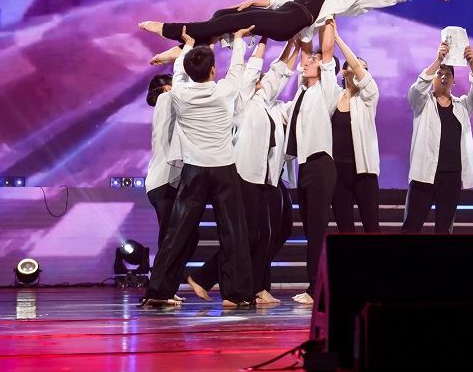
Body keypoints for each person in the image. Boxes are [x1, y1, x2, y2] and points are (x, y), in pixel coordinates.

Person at [139, 0, 453, 63]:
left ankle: (171, 30)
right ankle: (184, 49)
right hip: (286, 10)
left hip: (294, 20)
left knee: (238, 20)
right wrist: (255, 1)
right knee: (225, 13)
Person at [142, 25, 254, 308]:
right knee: (232, 231)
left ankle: (159, 290)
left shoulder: (180, 93)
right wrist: (238, 40)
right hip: (223, 169)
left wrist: (189, 45)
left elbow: (179, 71)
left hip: (193, 171)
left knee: (177, 232)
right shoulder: (224, 91)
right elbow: (237, 69)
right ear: (213, 70)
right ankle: (235, 294)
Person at [187, 38, 300, 305]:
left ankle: (248, 287)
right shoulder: (241, 103)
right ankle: (209, 279)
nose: (262, 79)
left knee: (261, 236)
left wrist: (295, 42)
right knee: (248, 236)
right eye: (257, 77)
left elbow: (280, 70)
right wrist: (264, 38)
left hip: (265, 177)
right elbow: (253, 69)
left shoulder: (266, 103)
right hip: (244, 175)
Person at [402, 40, 473, 234]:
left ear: (454, 81)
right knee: (411, 227)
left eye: (448, 74)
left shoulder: (462, 106)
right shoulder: (422, 103)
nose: (443, 77)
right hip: (424, 174)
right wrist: (438, 60)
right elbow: (417, 88)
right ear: (433, 79)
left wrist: (472, 64)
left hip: (451, 176)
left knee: (444, 230)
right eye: (439, 73)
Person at [284, 23, 343, 305]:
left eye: (313, 60)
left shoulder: (327, 90)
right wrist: (304, 29)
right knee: (310, 230)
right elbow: (307, 52)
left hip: (321, 164)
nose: (308, 62)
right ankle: (319, 285)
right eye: (309, 59)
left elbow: (327, 50)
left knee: (317, 229)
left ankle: (314, 289)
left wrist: (328, 18)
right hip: (305, 166)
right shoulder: (302, 92)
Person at [324, 24, 382, 233]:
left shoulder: (368, 98)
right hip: (337, 174)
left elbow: (360, 73)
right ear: (344, 72)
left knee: (372, 228)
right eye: (357, 66)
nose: (361, 70)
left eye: (364, 68)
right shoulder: (333, 97)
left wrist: (338, 38)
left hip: (363, 172)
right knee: (345, 229)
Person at [143, 60, 192, 303]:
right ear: (166, 89)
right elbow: (185, 82)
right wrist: (182, 56)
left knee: (185, 237)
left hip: (166, 182)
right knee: (169, 239)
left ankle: (166, 287)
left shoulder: (168, 105)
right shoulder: (165, 100)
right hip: (163, 182)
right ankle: (157, 291)